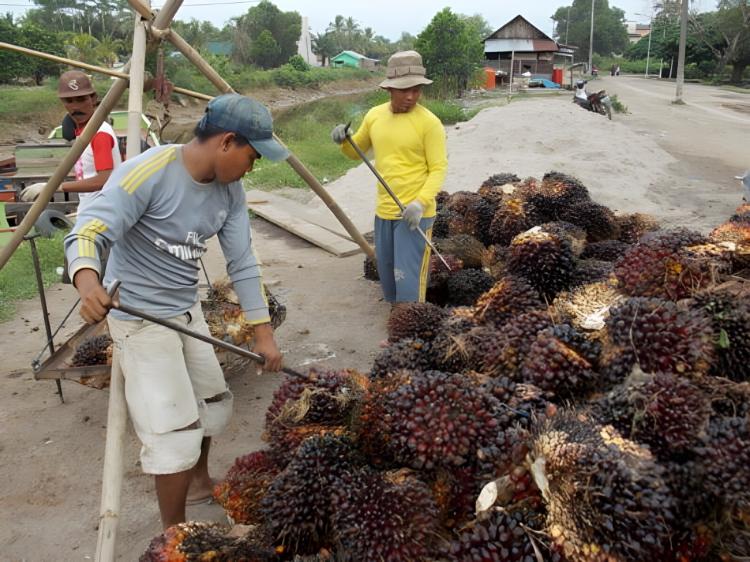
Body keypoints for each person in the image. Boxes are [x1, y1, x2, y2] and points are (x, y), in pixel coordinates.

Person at [63, 93, 287, 528]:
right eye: (252, 155)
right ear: (226, 142)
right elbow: (87, 233)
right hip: (140, 320)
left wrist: (264, 335)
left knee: (214, 405)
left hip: (187, 310)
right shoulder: (148, 172)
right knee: (173, 435)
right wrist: (88, 282)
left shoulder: (230, 191)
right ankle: (175, 531)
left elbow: (243, 261)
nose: (252, 166)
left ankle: (200, 484)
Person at [331, 50, 447, 304]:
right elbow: (355, 151)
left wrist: (420, 203)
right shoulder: (374, 116)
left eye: (416, 89)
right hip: (384, 211)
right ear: (390, 89)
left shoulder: (430, 123)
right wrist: (342, 138)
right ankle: (399, 326)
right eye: (405, 90)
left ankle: (410, 336)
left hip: (415, 215)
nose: (411, 96)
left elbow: (438, 169)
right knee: (388, 277)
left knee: (409, 280)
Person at [21, 70, 122, 210]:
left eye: (81, 99)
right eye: (69, 101)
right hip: (91, 207)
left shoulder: (100, 134)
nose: (75, 107)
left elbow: (104, 180)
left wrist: (51, 187)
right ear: (63, 102)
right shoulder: (83, 132)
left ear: (93, 98)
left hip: (104, 210)